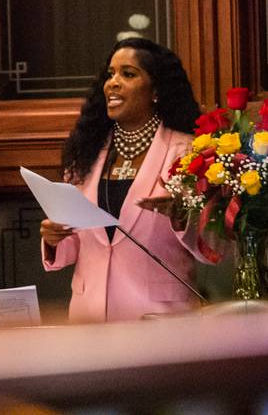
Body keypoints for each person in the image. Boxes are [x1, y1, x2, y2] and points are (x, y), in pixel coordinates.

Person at [40, 37, 216, 322]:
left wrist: (185, 216)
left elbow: (214, 247)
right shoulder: (86, 153)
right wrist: (53, 238)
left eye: (128, 74)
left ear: (156, 90)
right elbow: (76, 245)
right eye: (110, 75)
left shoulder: (189, 152)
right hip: (90, 321)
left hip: (160, 321)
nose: (113, 83)